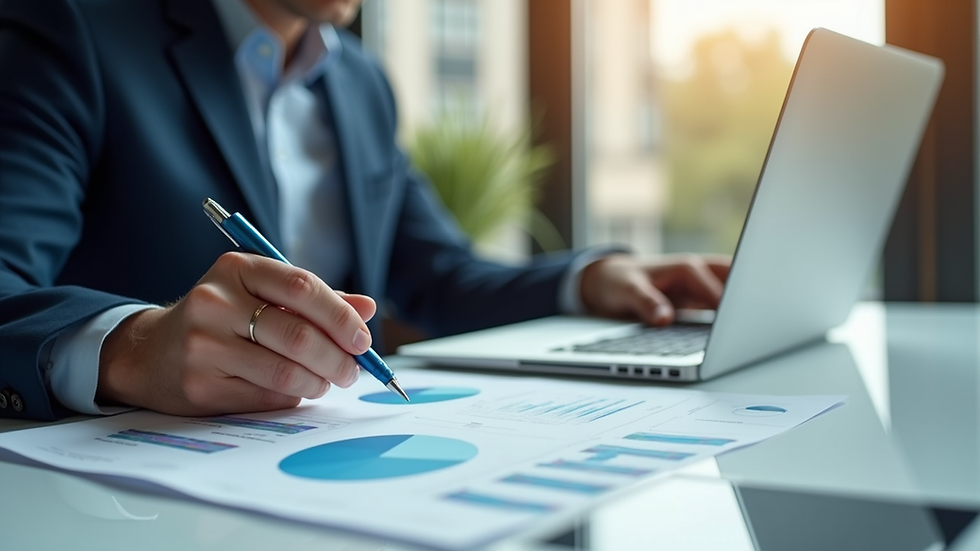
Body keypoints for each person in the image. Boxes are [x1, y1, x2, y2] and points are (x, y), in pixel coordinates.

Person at [0, 0, 729, 421]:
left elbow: (440, 276)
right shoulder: (73, 30)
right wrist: (132, 348)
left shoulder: (360, 83)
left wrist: (590, 277)